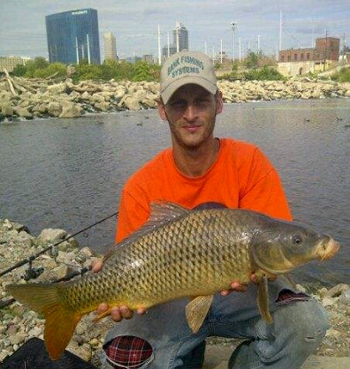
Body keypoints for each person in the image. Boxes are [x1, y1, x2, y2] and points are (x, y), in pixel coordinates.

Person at [93, 51, 329, 369]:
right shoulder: (140, 186)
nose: (191, 114)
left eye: (201, 102)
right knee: (122, 359)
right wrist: (116, 296)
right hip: (170, 299)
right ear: (162, 110)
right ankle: (186, 350)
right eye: (178, 104)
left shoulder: (250, 163)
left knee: (306, 325)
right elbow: (129, 272)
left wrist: (277, 261)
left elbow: (275, 254)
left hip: (242, 296)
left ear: (219, 102)